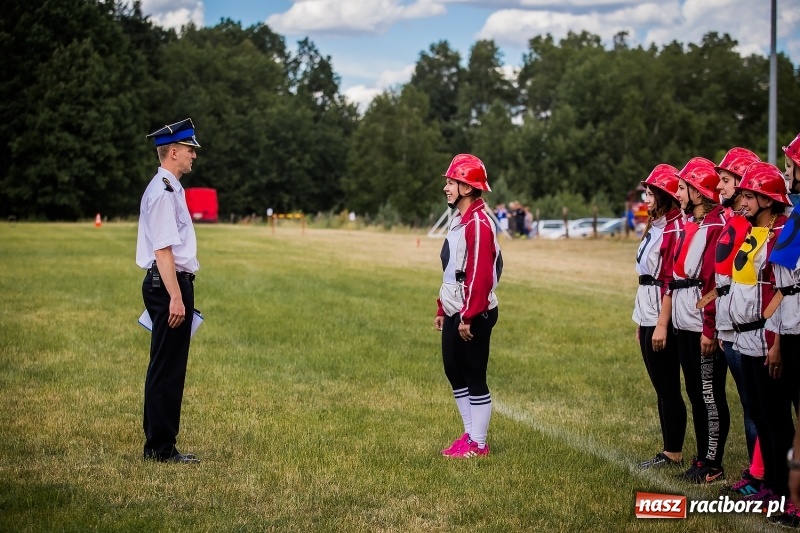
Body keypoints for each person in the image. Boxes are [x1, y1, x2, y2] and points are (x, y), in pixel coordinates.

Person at [725, 162, 792, 524]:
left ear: (768, 199)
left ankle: (785, 493)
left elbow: (781, 291)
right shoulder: (753, 230)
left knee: (777, 420)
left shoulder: (782, 231)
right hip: (745, 335)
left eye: (749, 195)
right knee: (762, 416)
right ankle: (771, 485)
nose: (743, 201)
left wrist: (775, 341)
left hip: (766, 336)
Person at [135, 118, 202, 464]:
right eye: (190, 150)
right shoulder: (162, 192)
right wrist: (176, 296)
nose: (194, 156)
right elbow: (163, 250)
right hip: (168, 284)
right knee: (167, 367)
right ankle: (160, 449)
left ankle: (159, 444)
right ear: (173, 152)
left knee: (165, 364)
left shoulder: (171, 187)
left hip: (169, 283)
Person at [435, 154, 502, 459]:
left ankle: (479, 443)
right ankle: (468, 435)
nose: (446, 188)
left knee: (474, 374)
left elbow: (481, 273)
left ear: (466, 187)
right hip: (456, 310)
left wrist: (469, 315)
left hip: (473, 312)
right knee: (453, 370)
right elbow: (452, 269)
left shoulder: (479, 222)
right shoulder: (459, 220)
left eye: (451, 182)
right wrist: (442, 307)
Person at [670, 157, 730, 483]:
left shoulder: (717, 226)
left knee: (709, 393)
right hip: (684, 322)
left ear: (698, 191)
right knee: (695, 391)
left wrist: (709, 327)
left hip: (700, 325)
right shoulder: (693, 223)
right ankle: (701, 458)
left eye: (683, 188)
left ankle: (713, 463)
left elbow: (711, 283)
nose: (677, 193)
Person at [710, 147, 766, 497]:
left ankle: (762, 477)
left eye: (728, 181)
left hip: (755, 330)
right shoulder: (735, 221)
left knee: (759, 409)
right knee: (751, 405)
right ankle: (756, 474)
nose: (721, 188)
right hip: (732, 326)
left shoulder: (759, 226)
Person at [633, 164, 687, 470]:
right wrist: (640, 321)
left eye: (651, 192)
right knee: (660, 386)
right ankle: (668, 450)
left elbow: (667, 280)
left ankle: (673, 452)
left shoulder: (674, 228)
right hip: (647, 312)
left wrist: (660, 324)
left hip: (660, 314)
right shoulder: (655, 226)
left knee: (668, 386)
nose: (646, 197)